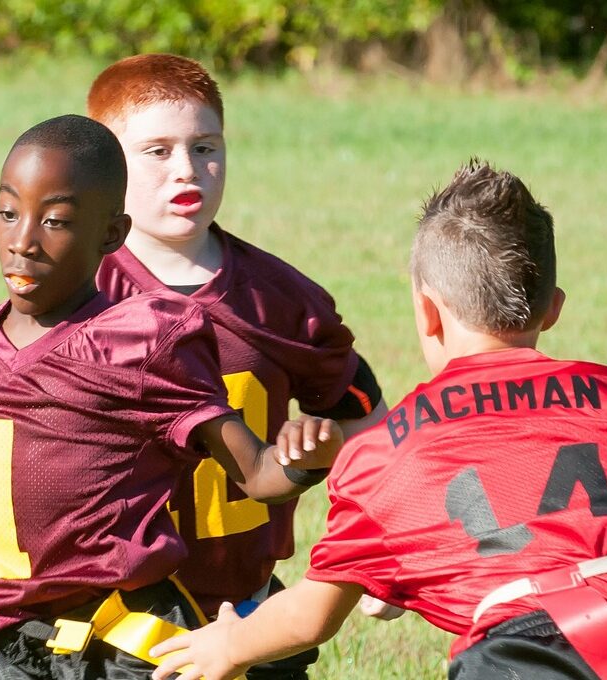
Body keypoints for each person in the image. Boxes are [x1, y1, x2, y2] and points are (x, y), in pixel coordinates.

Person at [150, 161, 607, 680]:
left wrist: (230, 644)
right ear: (553, 309)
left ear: (427, 316)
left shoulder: (387, 452)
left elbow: (310, 617)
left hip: (528, 655)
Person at [0, 114, 340, 679]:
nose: (23, 241)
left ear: (111, 234)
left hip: (125, 645)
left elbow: (256, 473)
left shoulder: (143, 340)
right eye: (9, 213)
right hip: (9, 652)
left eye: (55, 221)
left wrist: (302, 461)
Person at [88, 53, 390, 679]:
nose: (186, 169)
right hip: (118, 610)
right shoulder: (79, 292)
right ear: (105, 164)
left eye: (205, 146)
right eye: (157, 151)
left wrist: (383, 543)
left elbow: (366, 418)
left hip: (247, 599)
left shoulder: (279, 297)